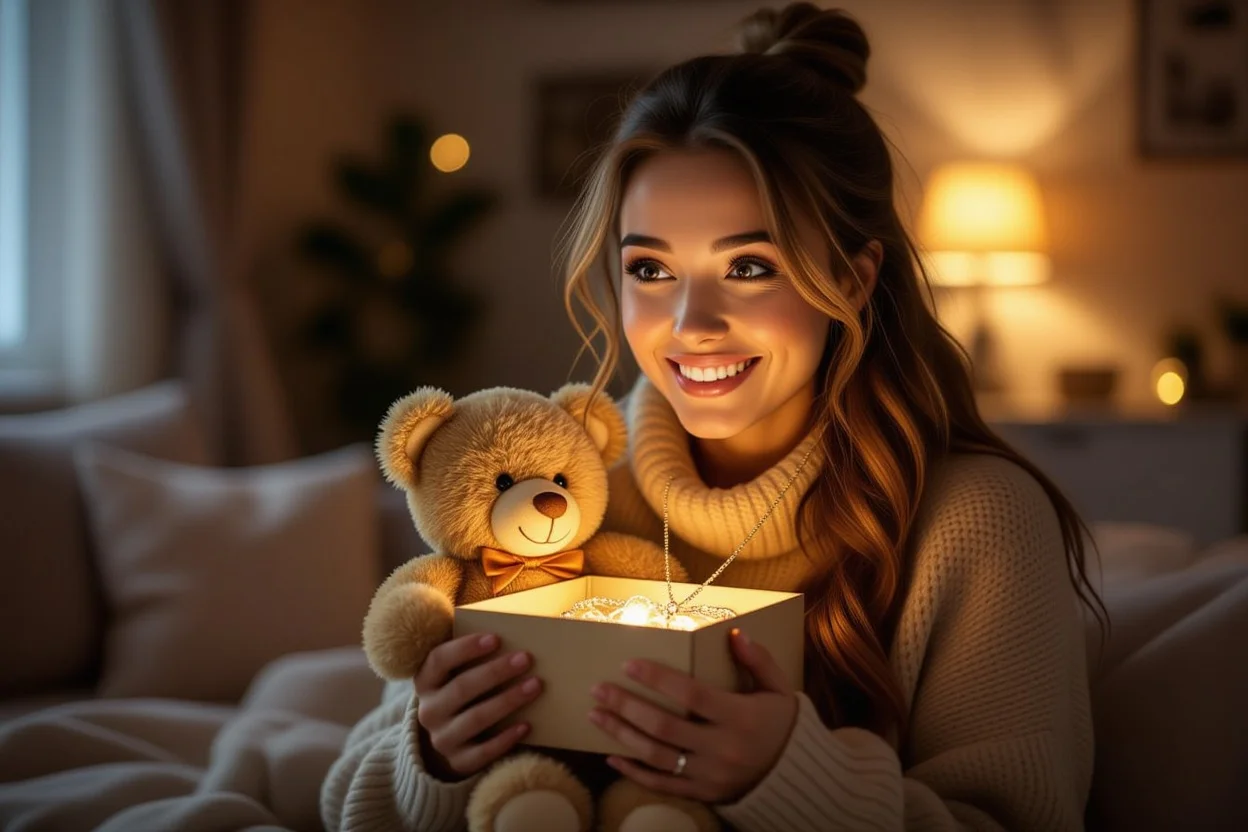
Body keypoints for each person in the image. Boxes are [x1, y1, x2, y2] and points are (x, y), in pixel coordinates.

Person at [321, 4, 1108, 830]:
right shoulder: (562, 492)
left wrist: (790, 778)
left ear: (853, 278)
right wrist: (437, 756)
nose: (691, 323)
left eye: (749, 265)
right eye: (652, 268)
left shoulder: (975, 522)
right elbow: (348, 798)